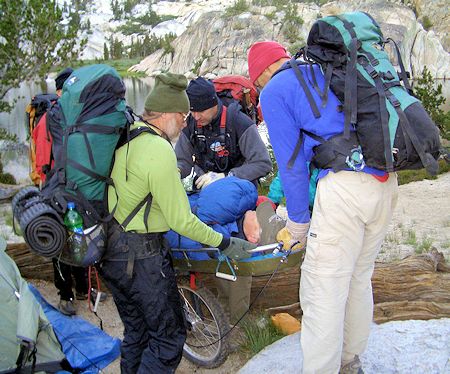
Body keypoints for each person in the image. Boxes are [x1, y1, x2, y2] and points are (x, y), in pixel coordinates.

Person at [247, 41, 398, 374]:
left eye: (257, 83)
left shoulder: (277, 90)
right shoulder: (326, 72)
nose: (260, 91)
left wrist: (298, 224)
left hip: (345, 187)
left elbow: (291, 166)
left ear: (266, 71)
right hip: (385, 181)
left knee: (321, 290)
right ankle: (349, 361)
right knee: (358, 278)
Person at [99, 72, 255, 374]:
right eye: (183, 115)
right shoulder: (159, 149)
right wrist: (224, 242)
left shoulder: (129, 133)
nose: (186, 122)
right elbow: (181, 221)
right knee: (169, 340)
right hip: (142, 259)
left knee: (137, 334)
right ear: (168, 113)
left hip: (111, 251)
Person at [43, 67, 89, 316]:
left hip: (76, 185)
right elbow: (57, 154)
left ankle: (82, 287)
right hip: (57, 186)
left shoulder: (77, 110)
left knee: (79, 234)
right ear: (60, 91)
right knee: (61, 240)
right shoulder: (54, 114)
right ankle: (65, 293)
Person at [175, 76, 272, 188]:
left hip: (239, 185)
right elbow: (182, 161)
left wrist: (226, 177)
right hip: (205, 185)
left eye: (201, 111)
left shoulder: (239, 121)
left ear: (214, 104)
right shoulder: (191, 123)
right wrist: (175, 172)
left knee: (215, 202)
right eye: (192, 111)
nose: (196, 117)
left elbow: (263, 163)